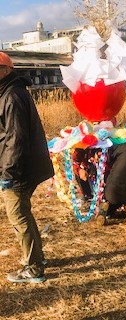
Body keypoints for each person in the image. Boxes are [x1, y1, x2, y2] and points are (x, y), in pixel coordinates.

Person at [0, 52, 54, 283]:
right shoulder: (8, 92)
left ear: (6, 70)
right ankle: (36, 259)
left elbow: (16, 139)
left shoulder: (11, 96)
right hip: (24, 164)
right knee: (24, 214)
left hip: (19, 168)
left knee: (18, 217)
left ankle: (33, 269)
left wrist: (9, 173)